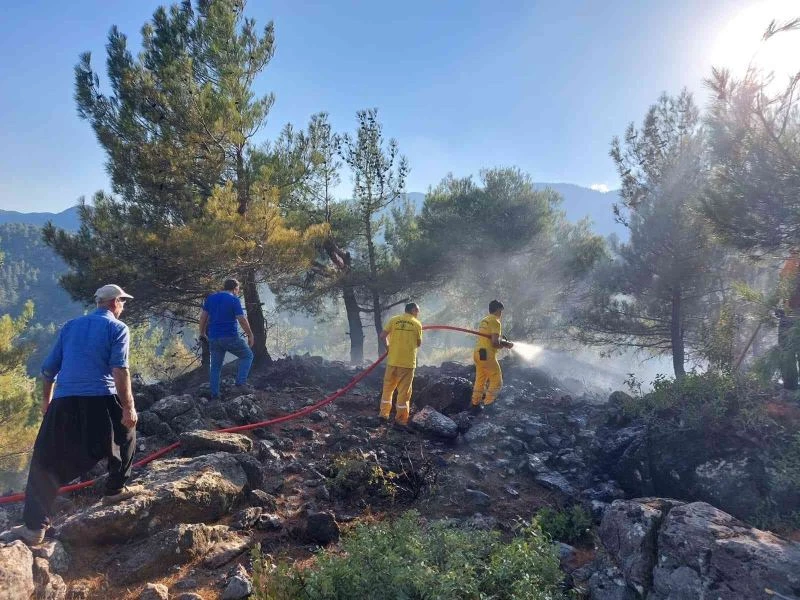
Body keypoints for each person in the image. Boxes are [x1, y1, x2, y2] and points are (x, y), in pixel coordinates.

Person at [0, 284, 141, 546]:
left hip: (64, 401)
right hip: (101, 397)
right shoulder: (118, 328)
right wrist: (128, 406)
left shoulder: (70, 327)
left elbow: (47, 370)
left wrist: (47, 402)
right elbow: (119, 370)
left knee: (45, 459)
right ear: (114, 303)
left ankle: (33, 528)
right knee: (126, 434)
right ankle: (115, 489)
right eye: (123, 301)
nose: (123, 306)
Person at [199, 278, 255, 400]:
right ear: (235, 288)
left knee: (215, 367)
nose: (238, 292)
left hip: (213, 338)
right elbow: (242, 319)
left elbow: (203, 317)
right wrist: (250, 334)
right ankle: (240, 383)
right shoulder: (234, 299)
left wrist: (202, 333)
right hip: (230, 336)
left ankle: (215, 395)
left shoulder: (211, 298)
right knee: (247, 355)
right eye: (238, 289)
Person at [378, 303, 423, 430]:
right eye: (417, 311)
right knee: (404, 392)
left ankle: (383, 414)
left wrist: (388, 347)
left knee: (388, 388)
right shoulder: (417, 324)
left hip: (392, 361)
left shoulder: (394, 320)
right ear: (413, 310)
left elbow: (382, 336)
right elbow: (419, 343)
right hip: (407, 364)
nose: (418, 313)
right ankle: (401, 419)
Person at [470, 299, 513, 414]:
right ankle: (489, 405)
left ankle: (475, 405)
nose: (501, 314)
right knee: (497, 380)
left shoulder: (485, 320)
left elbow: (489, 337)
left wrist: (502, 342)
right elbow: (494, 342)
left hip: (478, 353)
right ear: (498, 310)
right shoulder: (495, 321)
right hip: (488, 354)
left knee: (480, 380)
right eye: (501, 311)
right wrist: (505, 345)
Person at [778, 254, 800, 391]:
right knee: (786, 353)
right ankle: (790, 389)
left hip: (795, 314)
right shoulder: (792, 259)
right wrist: (781, 307)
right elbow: (783, 284)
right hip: (788, 314)